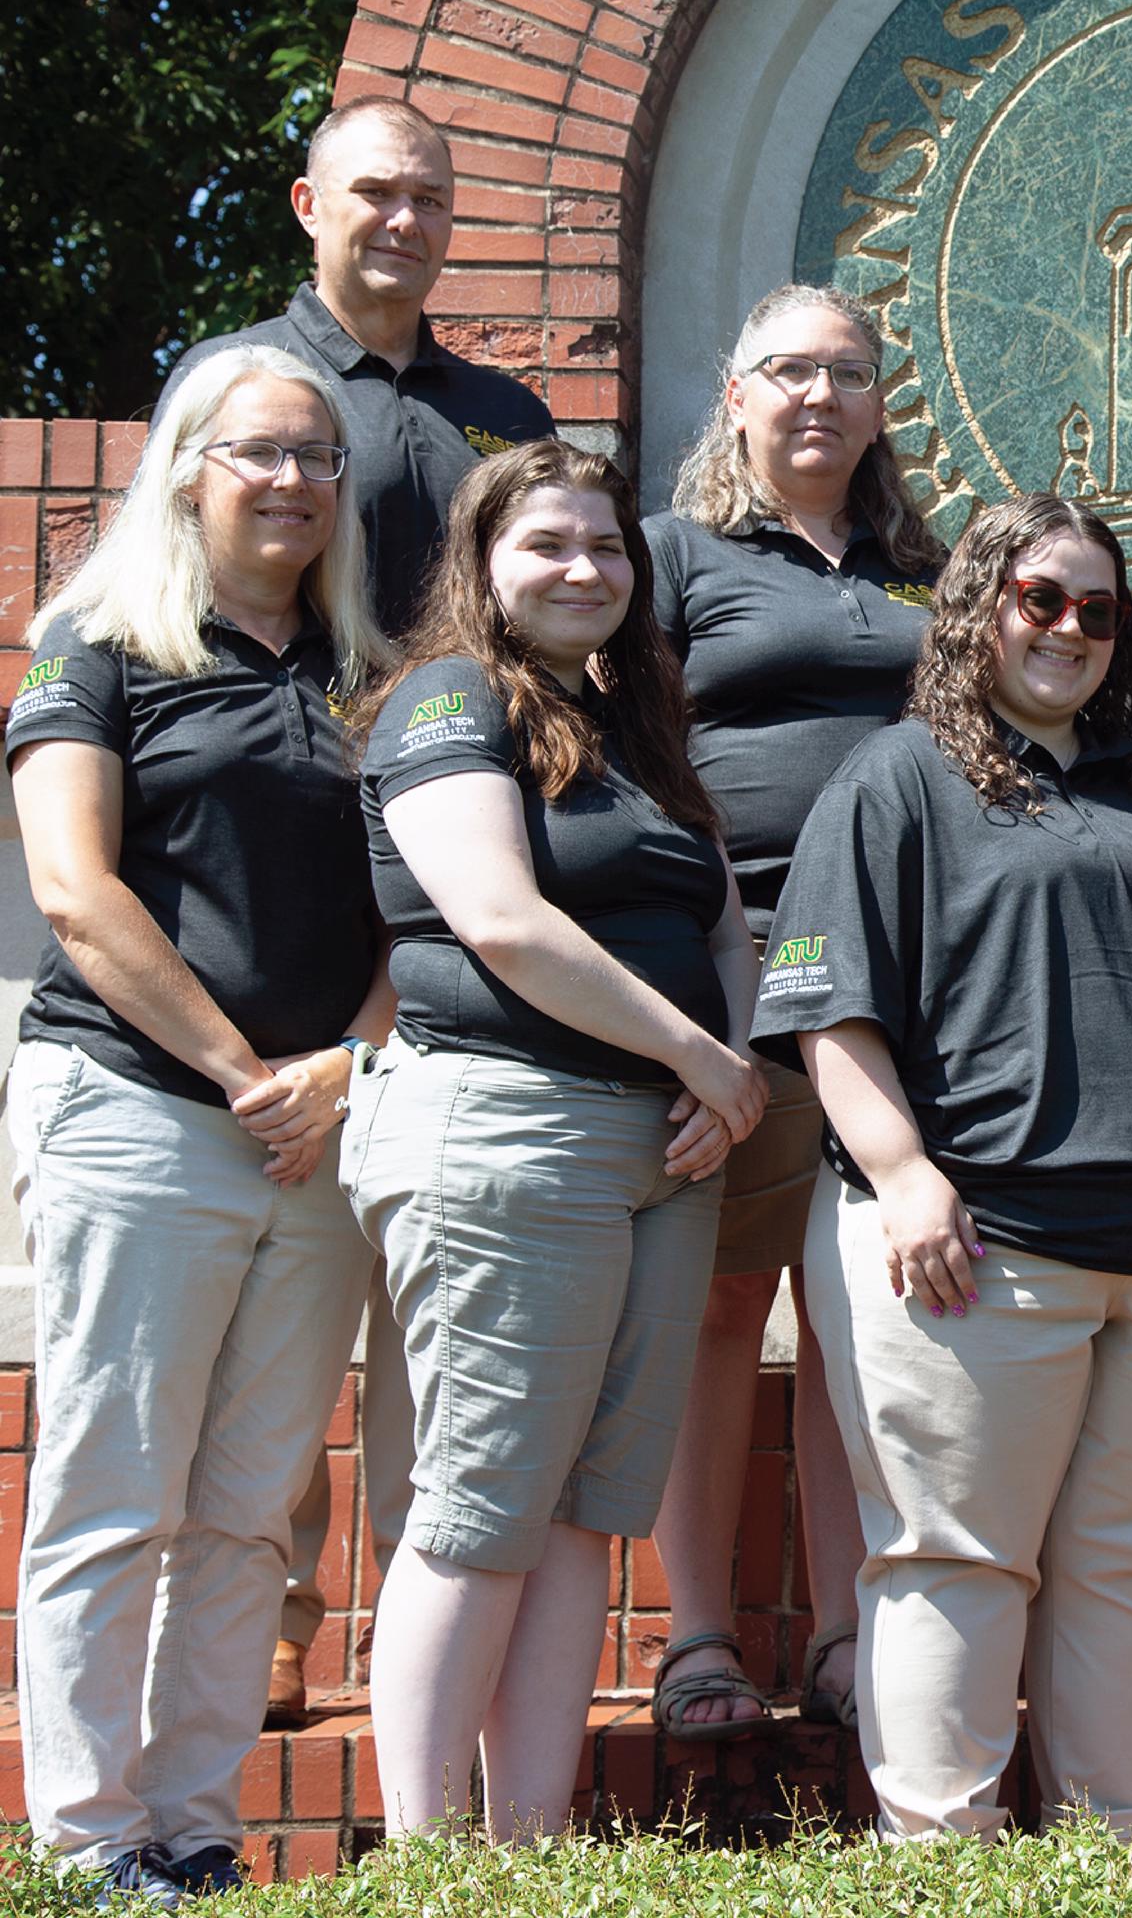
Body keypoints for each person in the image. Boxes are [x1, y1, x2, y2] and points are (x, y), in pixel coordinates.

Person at [753, 493, 1132, 1841]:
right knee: (955, 1562)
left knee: (1130, 1570)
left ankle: (1114, 1854)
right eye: (1041, 598)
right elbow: (828, 1014)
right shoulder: (895, 778)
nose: (1071, 629)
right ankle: (941, 1861)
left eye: (1100, 609)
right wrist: (906, 1173)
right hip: (975, 1245)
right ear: (978, 608)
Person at [158, 94, 555, 1728]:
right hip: (284, 859)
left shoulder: (496, 409)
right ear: (309, 200)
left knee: (425, 1291)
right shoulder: (242, 383)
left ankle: (417, 1647)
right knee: (282, 1295)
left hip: (460, 874)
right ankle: (277, 1617)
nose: (402, 220)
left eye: (429, 199)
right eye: (374, 192)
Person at [5, 345, 391, 1901]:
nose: (290, 480)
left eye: (317, 456)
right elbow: (72, 892)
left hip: (316, 1135)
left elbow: (415, 915)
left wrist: (342, 1072)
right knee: (116, 1484)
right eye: (256, 453)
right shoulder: (90, 645)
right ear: (185, 468)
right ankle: (91, 1842)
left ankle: (198, 1831)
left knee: (245, 1506)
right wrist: (249, 1072)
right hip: (143, 1112)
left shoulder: (365, 670)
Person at [342, 441, 765, 1840]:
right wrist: (698, 1055)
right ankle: (426, 1852)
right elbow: (503, 921)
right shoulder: (449, 698)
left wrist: (729, 1070)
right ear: (482, 565)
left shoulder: (636, 732)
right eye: (548, 545)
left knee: (588, 1506)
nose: (585, 568)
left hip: (657, 1153)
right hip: (504, 1131)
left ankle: (523, 1844)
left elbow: (714, 921)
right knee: (480, 1503)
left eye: (607, 547)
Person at [641, 284, 943, 1741]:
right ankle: (699, 1639)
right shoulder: (675, 562)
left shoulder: (922, 568)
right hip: (734, 973)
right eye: (788, 371)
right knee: (715, 1307)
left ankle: (843, 1635)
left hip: (896, 989)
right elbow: (633, 761)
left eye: (848, 373)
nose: (819, 396)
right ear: (738, 394)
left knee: (853, 1320)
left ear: (881, 402)